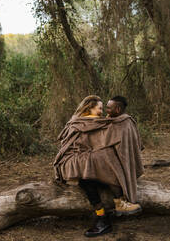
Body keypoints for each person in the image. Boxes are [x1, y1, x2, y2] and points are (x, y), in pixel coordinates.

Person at [53, 95, 144, 237]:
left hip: (87, 163)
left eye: (105, 108)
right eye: (100, 108)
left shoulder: (99, 121)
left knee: (103, 162)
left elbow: (102, 137)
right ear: (90, 108)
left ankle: (115, 206)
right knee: (95, 168)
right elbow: (72, 144)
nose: (103, 111)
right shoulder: (81, 121)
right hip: (74, 159)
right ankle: (103, 216)